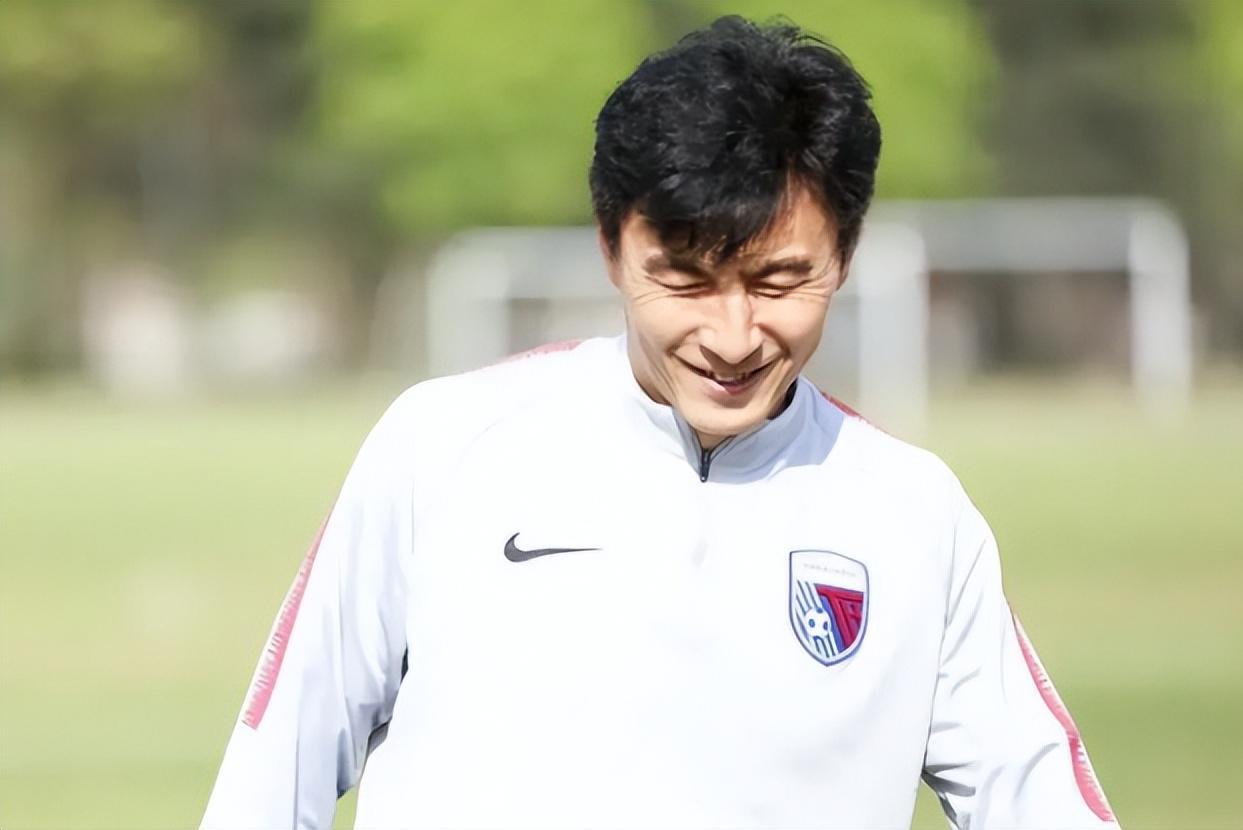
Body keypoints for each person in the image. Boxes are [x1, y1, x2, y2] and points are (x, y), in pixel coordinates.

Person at [201, 16, 1118, 830]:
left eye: (779, 282)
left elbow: (1035, 795)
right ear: (611, 245)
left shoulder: (915, 513)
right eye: (685, 280)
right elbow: (273, 777)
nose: (733, 336)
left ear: (845, 253)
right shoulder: (443, 447)